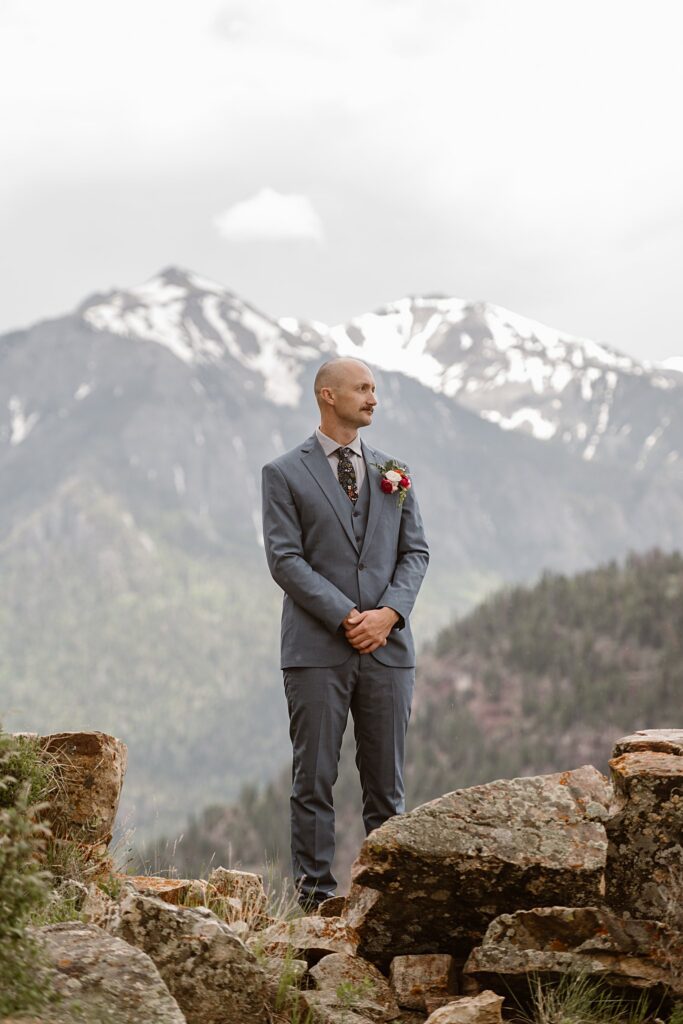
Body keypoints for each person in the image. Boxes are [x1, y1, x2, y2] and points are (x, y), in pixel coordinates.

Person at [261, 357, 429, 910]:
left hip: (388, 649)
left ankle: (389, 905)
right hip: (316, 651)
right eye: (363, 388)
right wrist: (345, 616)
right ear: (327, 395)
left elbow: (415, 552)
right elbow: (285, 559)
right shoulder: (284, 473)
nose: (373, 398)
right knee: (314, 781)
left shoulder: (394, 472)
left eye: (375, 389)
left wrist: (388, 615)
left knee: (387, 788)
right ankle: (314, 903)